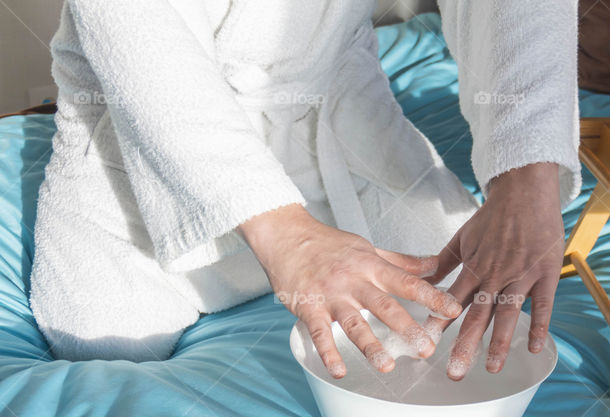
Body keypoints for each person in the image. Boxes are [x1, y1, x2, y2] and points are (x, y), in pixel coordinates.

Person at [29, 0, 580, 380]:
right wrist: (288, 238)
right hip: (147, 125)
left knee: (458, 296)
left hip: (334, 105)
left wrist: (528, 177)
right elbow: (137, 30)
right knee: (99, 341)